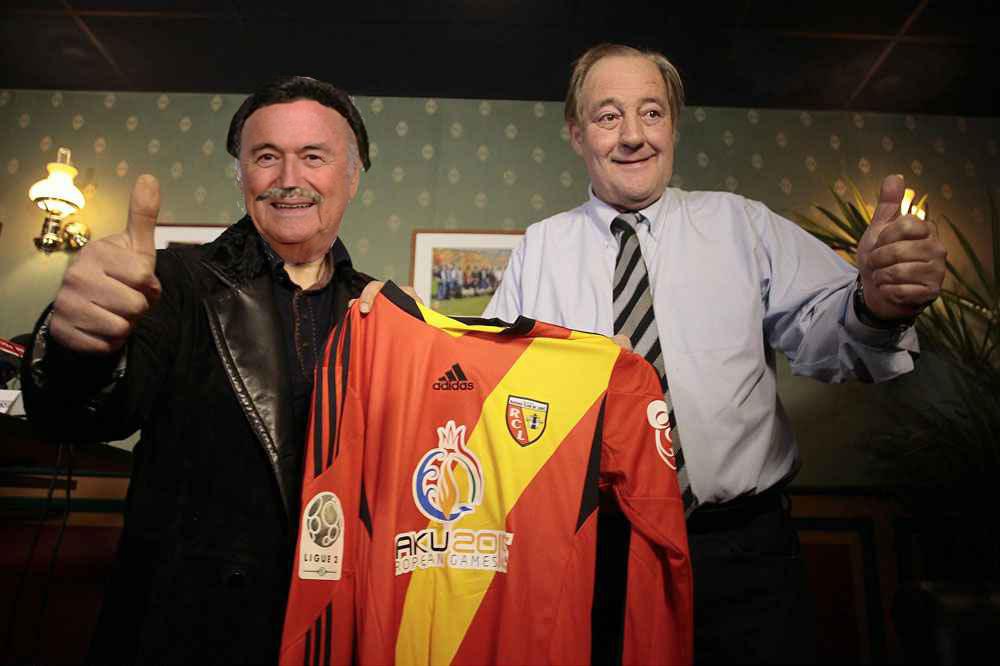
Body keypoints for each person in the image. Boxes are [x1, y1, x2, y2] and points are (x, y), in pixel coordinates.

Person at [484, 43, 947, 663]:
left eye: (652, 113)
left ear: (673, 126)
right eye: (608, 116)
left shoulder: (742, 225)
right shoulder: (538, 250)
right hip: (596, 555)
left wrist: (876, 303)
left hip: (744, 557)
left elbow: (829, 335)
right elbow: (499, 402)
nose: (633, 136)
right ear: (576, 134)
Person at [20, 76, 394, 664]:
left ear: (352, 177)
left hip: (332, 628)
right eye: (266, 157)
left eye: (313, 157)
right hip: (188, 628)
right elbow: (81, 415)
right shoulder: (171, 282)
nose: (289, 177)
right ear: (241, 175)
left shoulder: (382, 309)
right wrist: (77, 346)